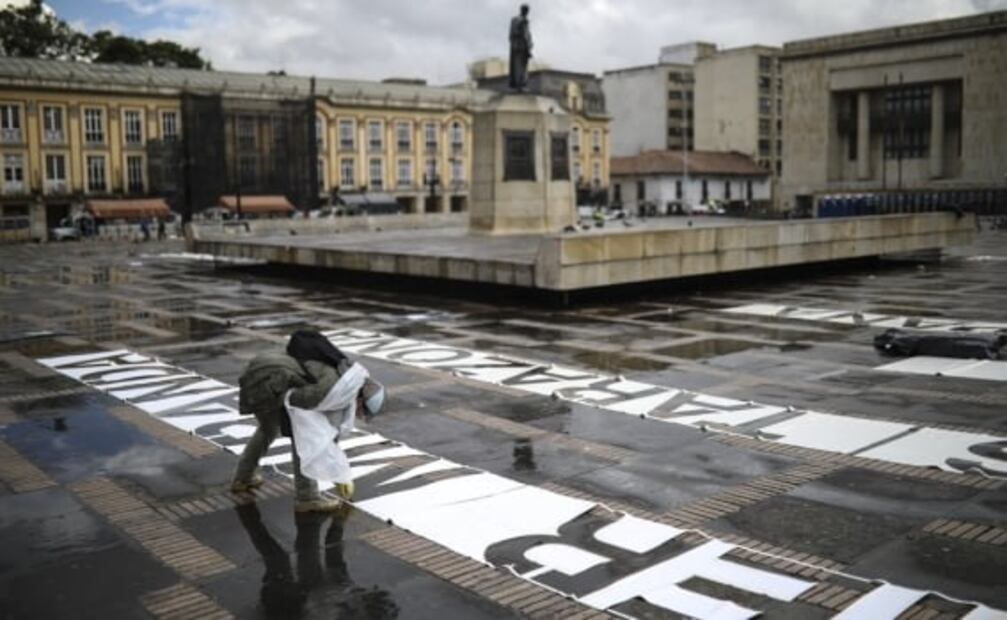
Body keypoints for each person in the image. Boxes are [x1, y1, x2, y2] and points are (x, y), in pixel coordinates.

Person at [231, 329, 386, 512]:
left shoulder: (348, 377)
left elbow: (328, 430)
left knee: (268, 429)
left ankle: (243, 478)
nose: (360, 415)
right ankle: (307, 498)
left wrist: (338, 474)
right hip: (267, 381)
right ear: (360, 399)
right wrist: (340, 476)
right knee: (304, 438)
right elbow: (301, 401)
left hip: (261, 371)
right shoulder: (336, 388)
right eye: (363, 411)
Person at [509, 4, 532, 91]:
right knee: (519, 67)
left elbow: (527, 35)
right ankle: (519, 84)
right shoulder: (519, 20)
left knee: (521, 67)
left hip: (521, 47)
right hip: (519, 47)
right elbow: (520, 34)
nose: (526, 13)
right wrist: (527, 48)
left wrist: (529, 46)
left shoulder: (522, 21)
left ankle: (521, 84)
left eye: (527, 11)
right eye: (525, 11)